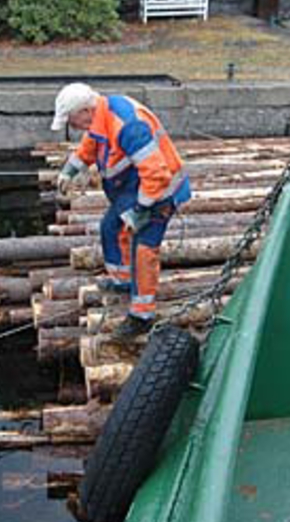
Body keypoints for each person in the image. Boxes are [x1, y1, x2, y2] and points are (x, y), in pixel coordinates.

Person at [51, 83, 191, 340]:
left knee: (143, 248)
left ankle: (142, 314)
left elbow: (157, 175)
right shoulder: (100, 117)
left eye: (72, 121)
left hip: (160, 192)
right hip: (137, 186)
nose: (73, 127)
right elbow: (90, 147)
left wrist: (141, 210)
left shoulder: (128, 126)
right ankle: (124, 282)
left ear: (84, 111)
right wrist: (70, 170)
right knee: (111, 228)